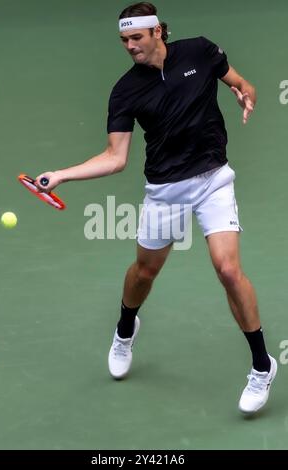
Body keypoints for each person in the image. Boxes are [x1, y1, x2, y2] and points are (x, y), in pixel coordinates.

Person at [35, 2, 277, 414]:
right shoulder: (125, 90)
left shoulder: (200, 52)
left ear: (157, 32)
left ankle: (261, 365)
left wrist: (245, 93)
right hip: (164, 191)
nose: (130, 46)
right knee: (145, 272)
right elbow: (115, 157)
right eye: (124, 40)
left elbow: (239, 81)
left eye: (136, 38)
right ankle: (125, 328)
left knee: (228, 269)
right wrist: (61, 175)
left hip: (213, 179)